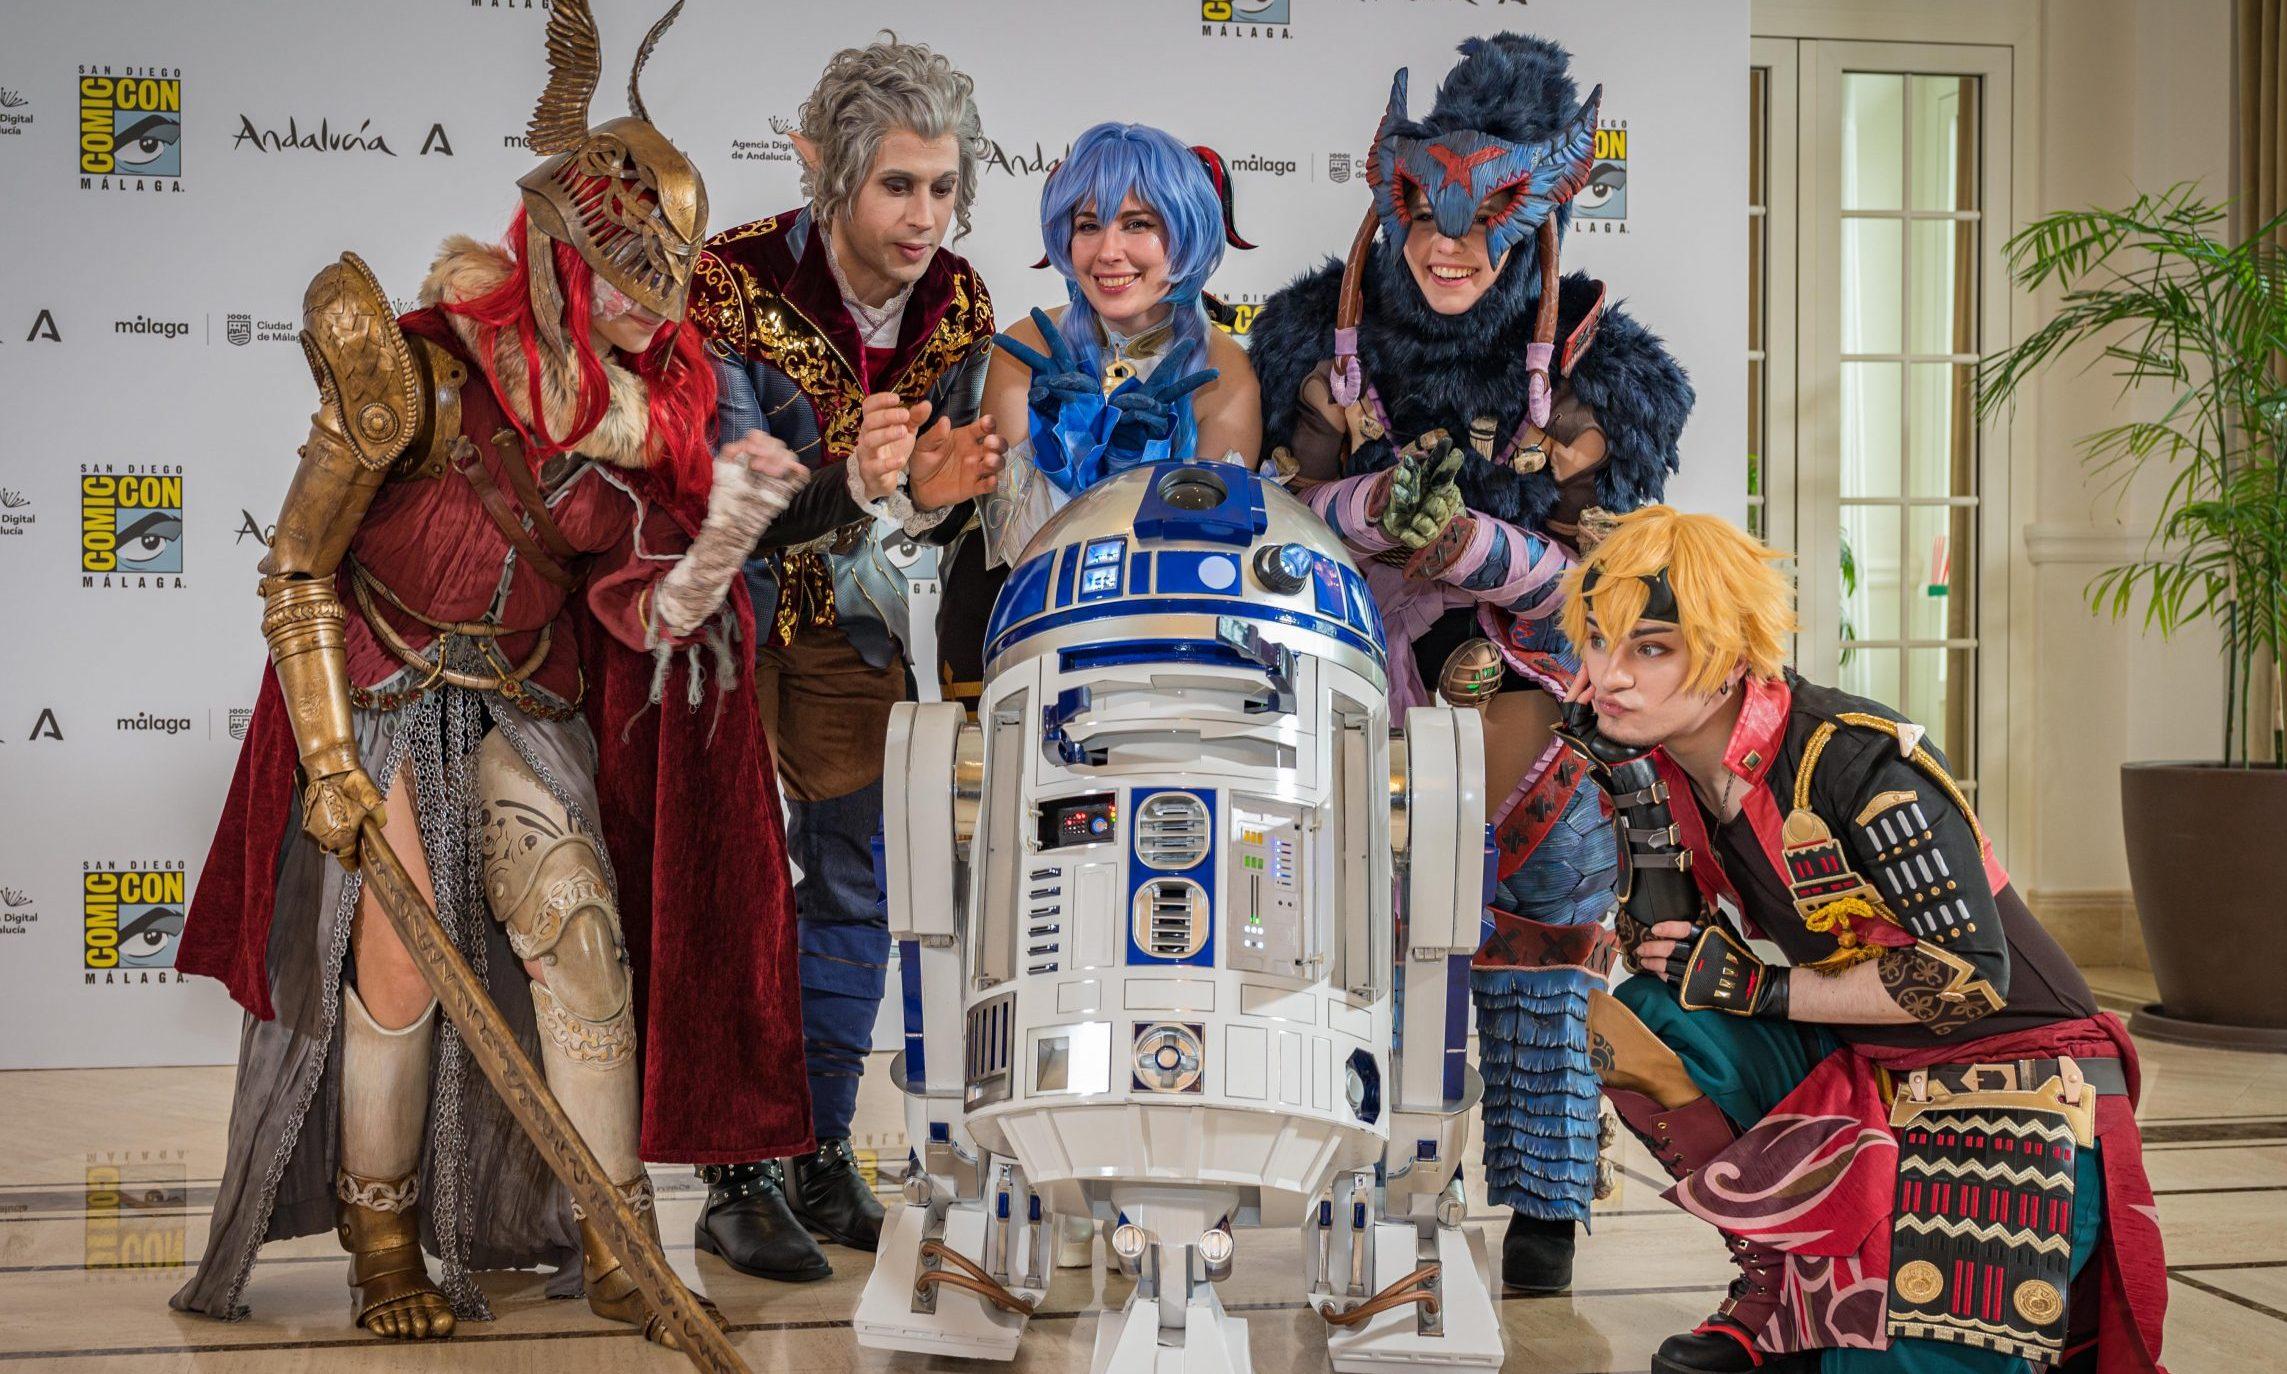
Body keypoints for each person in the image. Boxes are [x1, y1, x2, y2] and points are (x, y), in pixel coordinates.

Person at [170, 1, 812, 1348]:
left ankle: (623, 1247)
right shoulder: (413, 371)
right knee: (398, 968)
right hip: (383, 690)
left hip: (528, 698)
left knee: (583, 950)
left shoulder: (647, 418)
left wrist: (732, 528)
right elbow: (296, 571)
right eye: (625, 276)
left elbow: (652, 614)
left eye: (663, 283)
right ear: (562, 250)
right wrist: (330, 760)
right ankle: (382, 1241)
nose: (647, 307)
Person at [1248, 32, 1694, 1293]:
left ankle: (1546, 1202)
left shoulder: (1605, 367)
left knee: (1542, 966)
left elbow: (1612, 587)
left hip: (1536, 732)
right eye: (1427, 213)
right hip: (1356, 717)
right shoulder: (1309, 338)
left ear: (1536, 212)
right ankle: (1368, 1193)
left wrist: (1481, 550)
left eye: (1485, 219)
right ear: (1394, 199)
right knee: (1361, 968)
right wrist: (1362, 509)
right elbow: (1269, 527)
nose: (1449, 245)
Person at [1557, 507, 2169, 1374]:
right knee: (1650, 1011)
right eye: (1596, 642)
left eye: (1650, 648)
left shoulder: (1851, 758)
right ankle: (1775, 1283)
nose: (1610, 676)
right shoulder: (1668, 766)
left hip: (2020, 1071)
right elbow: (1665, 951)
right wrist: (1628, 789)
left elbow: (1967, 977)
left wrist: (1765, 990)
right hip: (1873, 1056)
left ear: (1730, 650)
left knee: (1897, 1366)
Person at [684, 32, 1004, 1282]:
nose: (924, 217)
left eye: (943, 187)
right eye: (896, 185)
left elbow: (941, 517)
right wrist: (860, 482)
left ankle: (815, 1151)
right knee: (732, 888)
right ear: (827, 173)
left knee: (854, 892)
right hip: (722, 623)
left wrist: (925, 497)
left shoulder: (960, 303)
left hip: (859, 636)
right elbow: (727, 504)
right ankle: (736, 1173)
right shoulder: (730, 282)